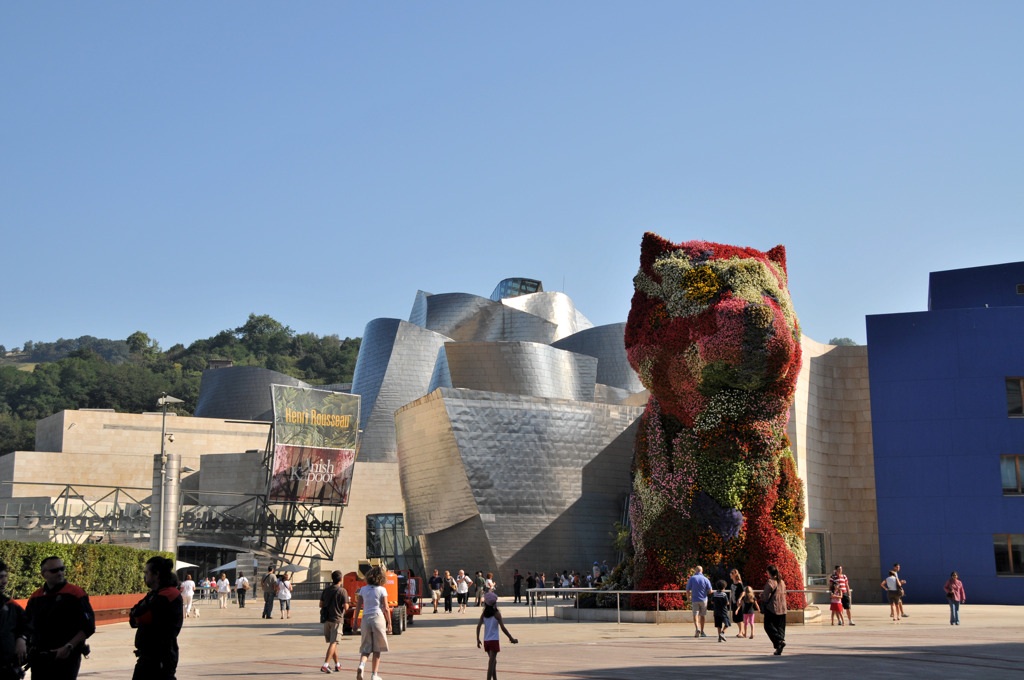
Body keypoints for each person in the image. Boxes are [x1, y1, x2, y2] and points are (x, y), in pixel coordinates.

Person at [24, 555, 95, 679]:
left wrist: (69, 646)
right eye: (54, 570)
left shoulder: (76, 593)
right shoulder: (36, 596)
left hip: (66, 657)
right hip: (40, 657)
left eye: (62, 569)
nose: (60, 573)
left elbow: (88, 626)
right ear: (43, 574)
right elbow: (26, 625)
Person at [129, 556, 183, 680]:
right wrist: (137, 615)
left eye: (147, 573)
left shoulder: (169, 594)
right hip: (148, 655)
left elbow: (140, 615)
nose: (145, 576)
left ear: (156, 574)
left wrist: (137, 616)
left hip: (161, 655)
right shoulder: (154, 594)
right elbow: (133, 616)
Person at [352, 566, 392, 680]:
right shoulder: (382, 590)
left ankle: (361, 665)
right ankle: (374, 675)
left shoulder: (363, 589)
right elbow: (386, 607)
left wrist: (355, 622)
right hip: (378, 618)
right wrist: (389, 623)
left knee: (366, 647)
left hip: (365, 619)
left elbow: (358, 606)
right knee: (377, 649)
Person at [476, 592, 517, 680]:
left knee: (493, 661)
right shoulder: (496, 614)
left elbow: (478, 626)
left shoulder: (484, 614)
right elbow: (503, 628)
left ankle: (495, 678)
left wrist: (478, 639)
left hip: (486, 640)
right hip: (494, 640)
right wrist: (511, 638)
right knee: (491, 662)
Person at [0, 560, 28, 680]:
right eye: (0, 577)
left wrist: (22, 638)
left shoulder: (10, 605)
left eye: (5, 576)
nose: (5, 581)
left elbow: (28, 623)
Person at [319, 570, 349, 673]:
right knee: (333, 642)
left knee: (333, 642)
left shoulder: (326, 590)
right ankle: (325, 665)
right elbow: (346, 607)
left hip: (327, 620)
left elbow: (320, 604)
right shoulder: (342, 591)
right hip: (337, 619)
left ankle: (337, 664)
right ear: (341, 579)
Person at [760, 564, 788, 655]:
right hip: (782, 608)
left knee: (768, 626)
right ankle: (779, 646)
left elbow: (765, 596)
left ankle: (779, 641)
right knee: (780, 627)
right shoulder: (782, 582)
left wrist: (762, 597)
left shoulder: (770, 582)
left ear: (769, 572)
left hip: (772, 608)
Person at [685, 565, 712, 638]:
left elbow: (687, 589)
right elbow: (710, 591)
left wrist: (688, 598)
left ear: (695, 571)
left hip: (694, 599)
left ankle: (697, 628)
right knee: (702, 615)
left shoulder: (692, 578)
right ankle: (702, 631)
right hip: (703, 599)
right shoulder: (705, 579)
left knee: (695, 614)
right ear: (702, 571)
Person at [728, 569, 745, 637]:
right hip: (734, 602)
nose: (730, 574)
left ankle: (740, 632)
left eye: (732, 573)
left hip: (739, 603)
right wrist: (730, 600)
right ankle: (742, 631)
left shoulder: (739, 583)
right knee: (735, 618)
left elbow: (743, 592)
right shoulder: (732, 584)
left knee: (739, 617)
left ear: (735, 574)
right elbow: (732, 593)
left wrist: (740, 599)